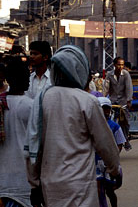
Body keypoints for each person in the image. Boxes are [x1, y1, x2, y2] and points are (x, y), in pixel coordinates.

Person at [25, 45, 120, 207]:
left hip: (50, 184)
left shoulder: (42, 99)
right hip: (80, 184)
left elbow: (33, 143)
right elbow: (105, 142)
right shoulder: (87, 101)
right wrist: (114, 169)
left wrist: (34, 183)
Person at [0, 58, 33, 207]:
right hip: (26, 188)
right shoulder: (31, 106)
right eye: (26, 76)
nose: (29, 79)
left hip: (2, 187)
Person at [97, 97, 126, 207]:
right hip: (96, 163)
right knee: (98, 190)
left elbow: (119, 145)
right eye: (103, 109)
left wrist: (112, 157)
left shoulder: (115, 126)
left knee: (109, 191)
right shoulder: (93, 126)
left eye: (107, 109)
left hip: (109, 163)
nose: (106, 112)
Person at [105, 57, 133, 151]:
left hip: (123, 101)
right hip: (112, 101)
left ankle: (126, 139)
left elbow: (129, 87)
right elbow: (106, 87)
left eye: (122, 65)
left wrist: (129, 100)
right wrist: (103, 98)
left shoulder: (126, 74)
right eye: (118, 64)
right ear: (114, 65)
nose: (120, 66)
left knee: (125, 121)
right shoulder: (109, 74)